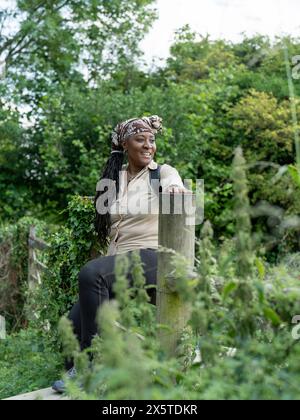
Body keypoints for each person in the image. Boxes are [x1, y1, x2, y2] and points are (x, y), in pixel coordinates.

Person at [52, 115, 190, 393]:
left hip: (154, 256)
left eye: (152, 140)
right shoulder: (113, 180)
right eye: (140, 139)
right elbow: (112, 229)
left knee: (90, 272)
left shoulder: (161, 173)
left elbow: (174, 183)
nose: (148, 145)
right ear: (125, 145)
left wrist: (175, 188)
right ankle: (77, 369)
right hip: (121, 262)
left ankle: (92, 370)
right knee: (70, 322)